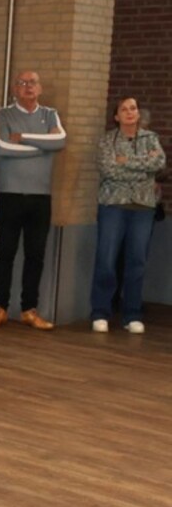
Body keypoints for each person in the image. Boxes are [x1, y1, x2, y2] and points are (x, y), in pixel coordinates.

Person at [0, 71, 66, 330]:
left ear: (40, 88)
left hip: (41, 197)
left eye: (33, 82)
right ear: (14, 90)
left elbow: (60, 140)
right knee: (5, 253)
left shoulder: (50, 114)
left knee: (35, 255)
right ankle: (0, 308)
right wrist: (42, 148)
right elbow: (2, 147)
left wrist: (24, 137)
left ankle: (29, 310)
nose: (28, 86)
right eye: (22, 83)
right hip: (10, 195)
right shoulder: (4, 115)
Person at [89, 96, 166, 334]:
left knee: (137, 262)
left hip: (143, 207)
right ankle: (100, 312)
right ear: (117, 116)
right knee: (106, 260)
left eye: (133, 108)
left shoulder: (150, 138)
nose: (130, 112)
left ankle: (132, 314)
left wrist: (126, 161)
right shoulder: (107, 140)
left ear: (138, 114)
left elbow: (159, 163)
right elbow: (108, 170)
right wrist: (143, 168)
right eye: (124, 109)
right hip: (113, 205)